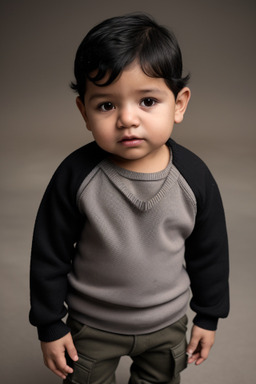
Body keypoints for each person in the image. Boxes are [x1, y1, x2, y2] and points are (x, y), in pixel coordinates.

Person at [29, 13, 229, 384]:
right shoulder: (76, 176)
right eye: (106, 105)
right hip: (92, 327)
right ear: (84, 112)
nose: (127, 119)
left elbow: (210, 251)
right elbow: (49, 253)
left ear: (179, 103)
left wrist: (207, 316)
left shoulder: (194, 178)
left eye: (148, 101)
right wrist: (49, 324)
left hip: (166, 324)